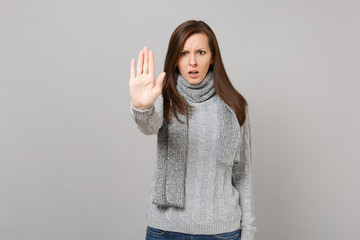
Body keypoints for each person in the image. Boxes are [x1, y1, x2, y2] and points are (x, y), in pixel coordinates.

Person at [129, 20, 257, 240]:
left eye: (200, 52)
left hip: (221, 231)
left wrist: (248, 231)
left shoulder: (234, 106)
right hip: (166, 230)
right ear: (175, 59)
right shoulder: (163, 99)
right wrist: (142, 106)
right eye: (183, 53)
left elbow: (242, 174)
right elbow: (148, 125)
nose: (192, 62)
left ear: (213, 56)